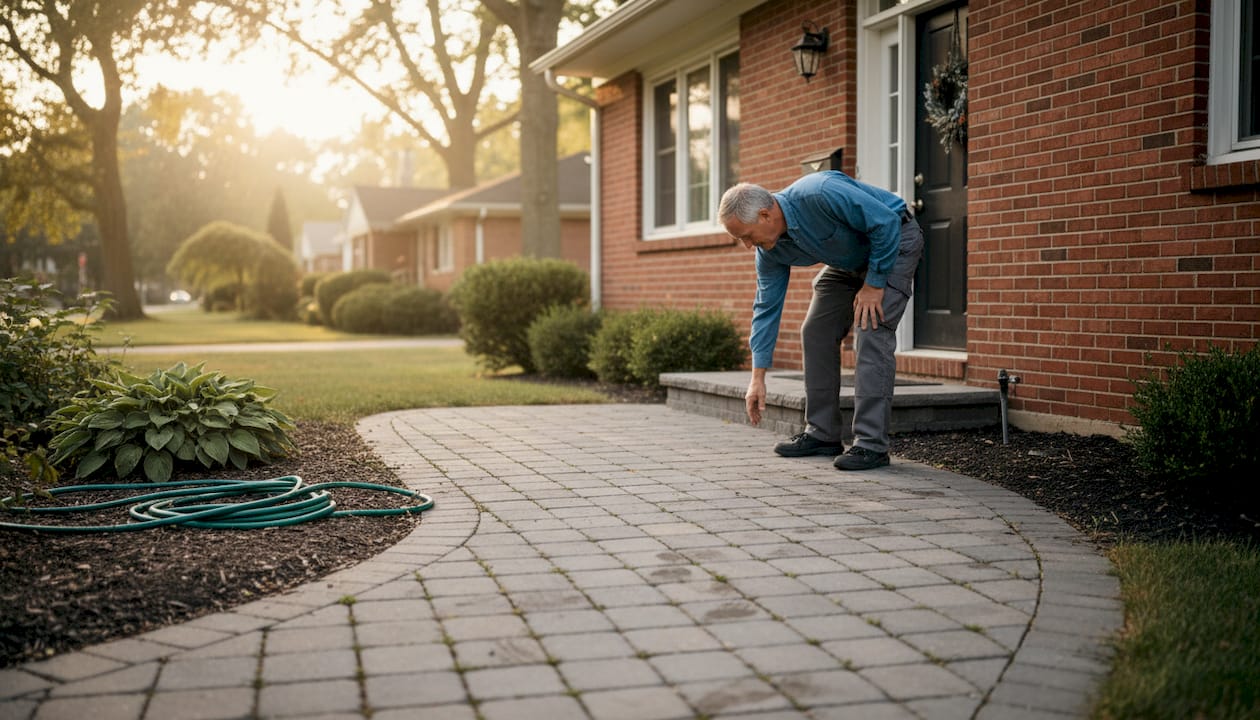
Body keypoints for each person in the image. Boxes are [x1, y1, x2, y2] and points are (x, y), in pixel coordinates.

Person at [718, 172, 924, 471]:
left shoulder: (820, 193)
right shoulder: (770, 250)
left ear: (765, 215)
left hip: (895, 241)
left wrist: (874, 285)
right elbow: (766, 308)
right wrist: (757, 377)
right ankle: (823, 434)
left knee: (871, 329)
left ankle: (870, 445)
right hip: (848, 262)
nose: (749, 246)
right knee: (815, 331)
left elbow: (885, 222)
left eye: (747, 236)